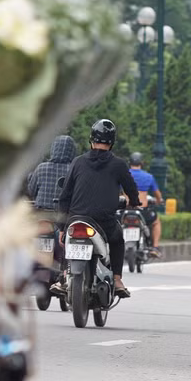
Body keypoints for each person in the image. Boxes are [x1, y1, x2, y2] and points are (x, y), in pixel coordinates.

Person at [57, 119, 140, 298]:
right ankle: (117, 279)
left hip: (76, 218)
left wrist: (62, 228)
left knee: (66, 240)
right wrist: (134, 201)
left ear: (91, 140)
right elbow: (131, 189)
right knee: (117, 239)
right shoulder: (118, 164)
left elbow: (65, 196)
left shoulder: (78, 162)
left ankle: (63, 277)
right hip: (104, 222)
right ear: (112, 142)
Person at [26, 135, 78, 214]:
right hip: (63, 215)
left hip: (42, 213)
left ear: (54, 149)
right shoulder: (74, 170)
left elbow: (31, 191)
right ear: (72, 151)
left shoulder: (41, 168)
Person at [129, 152, 163, 256]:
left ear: (129, 162)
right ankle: (155, 247)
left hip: (125, 209)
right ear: (142, 163)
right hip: (142, 211)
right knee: (156, 222)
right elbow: (157, 194)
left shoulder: (123, 174)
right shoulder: (148, 177)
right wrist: (159, 201)